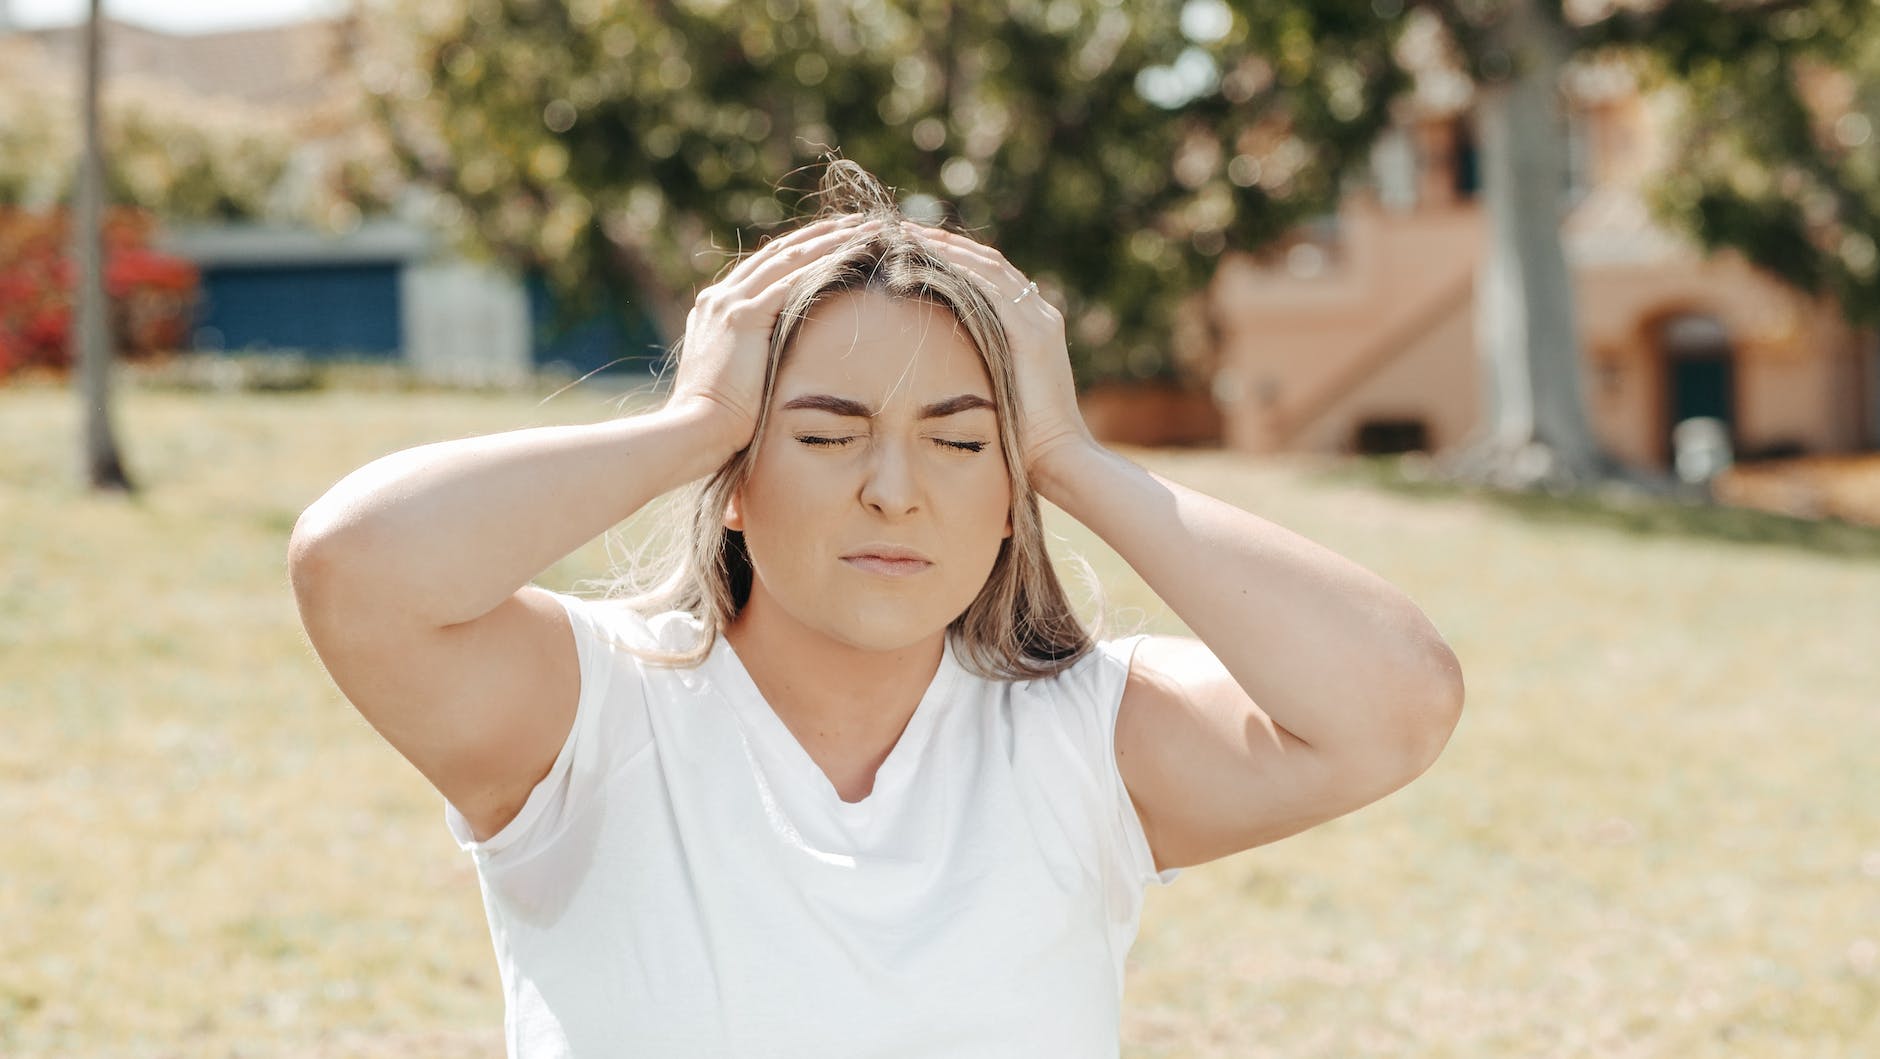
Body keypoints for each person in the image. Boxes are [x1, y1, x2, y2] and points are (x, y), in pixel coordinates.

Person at [287, 161, 1465, 1057]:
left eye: (958, 441)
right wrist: (690, 425)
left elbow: (1397, 704)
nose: (892, 492)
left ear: (1011, 497)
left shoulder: (1088, 735)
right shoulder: (588, 713)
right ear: (739, 481)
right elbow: (358, 564)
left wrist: (1063, 450)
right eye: (823, 433)